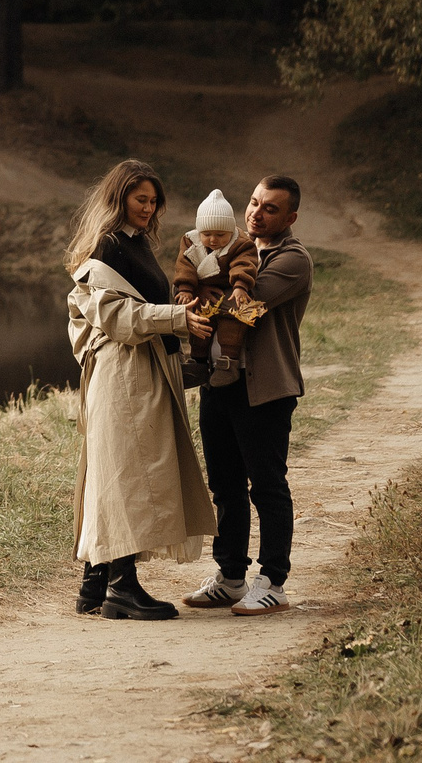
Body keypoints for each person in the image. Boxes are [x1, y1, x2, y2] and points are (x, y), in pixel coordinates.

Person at [64, 158, 218, 621]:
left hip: (140, 369)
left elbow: (140, 308)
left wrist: (183, 311)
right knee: (129, 474)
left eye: (154, 202)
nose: (148, 209)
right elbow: (116, 318)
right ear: (119, 198)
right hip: (123, 373)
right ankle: (121, 588)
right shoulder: (106, 249)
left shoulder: (134, 245)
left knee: (118, 469)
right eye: (140, 199)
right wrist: (177, 319)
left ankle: (95, 583)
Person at [183, 175, 313, 617]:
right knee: (224, 484)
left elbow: (245, 308)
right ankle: (231, 576)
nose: (256, 213)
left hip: (265, 389)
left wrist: (195, 297)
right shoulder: (232, 249)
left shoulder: (292, 260)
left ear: (290, 217)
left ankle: (273, 580)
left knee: (268, 486)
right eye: (254, 203)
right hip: (221, 383)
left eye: (270, 208)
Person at [172, 190, 262, 390]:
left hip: (230, 291)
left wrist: (240, 286)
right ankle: (197, 363)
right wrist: (187, 288)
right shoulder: (190, 242)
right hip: (202, 293)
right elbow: (184, 265)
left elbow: (244, 264)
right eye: (207, 234)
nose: (213, 240)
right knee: (200, 325)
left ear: (230, 231)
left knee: (234, 321)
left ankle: (228, 363)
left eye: (220, 235)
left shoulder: (241, 243)